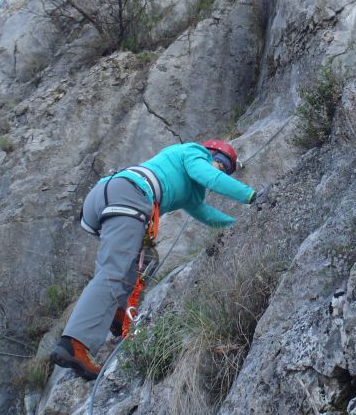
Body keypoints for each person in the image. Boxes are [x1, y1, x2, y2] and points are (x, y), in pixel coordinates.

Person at [50, 139, 259, 379]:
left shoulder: (190, 191)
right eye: (221, 163)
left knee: (144, 259)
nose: (220, 170)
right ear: (211, 153)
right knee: (113, 271)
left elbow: (206, 213)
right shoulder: (193, 152)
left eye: (225, 168)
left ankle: (118, 313)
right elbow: (211, 177)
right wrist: (252, 197)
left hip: (111, 195)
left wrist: (241, 223)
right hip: (129, 193)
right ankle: (74, 343)